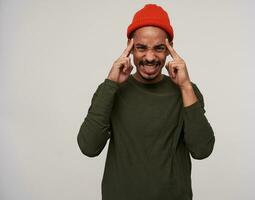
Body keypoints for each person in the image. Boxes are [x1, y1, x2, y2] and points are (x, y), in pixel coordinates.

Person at [77, 4, 215, 200]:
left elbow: (202, 150)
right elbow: (89, 147)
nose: (150, 57)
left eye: (158, 48)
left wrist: (185, 87)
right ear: (130, 46)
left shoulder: (187, 92)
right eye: (141, 47)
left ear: (170, 49)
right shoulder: (110, 90)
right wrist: (110, 84)